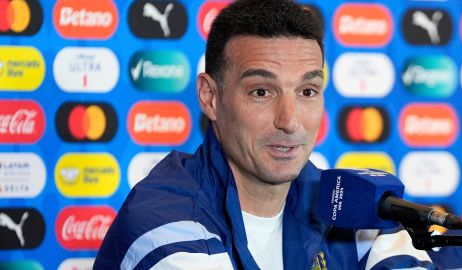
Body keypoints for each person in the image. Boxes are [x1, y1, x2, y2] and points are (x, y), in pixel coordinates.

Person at [94, 0, 437, 269]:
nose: (289, 121)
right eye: (261, 92)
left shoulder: (354, 203)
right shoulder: (166, 221)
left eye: (307, 91)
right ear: (210, 97)